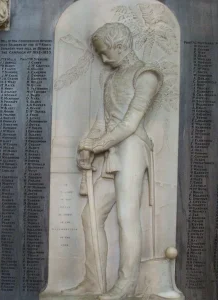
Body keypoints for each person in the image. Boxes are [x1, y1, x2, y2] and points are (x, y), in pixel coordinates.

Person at [62, 23, 163, 300]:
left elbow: (130, 123)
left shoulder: (147, 75)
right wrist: (86, 145)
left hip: (131, 148)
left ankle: (126, 285)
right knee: (90, 216)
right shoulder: (112, 78)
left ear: (120, 46)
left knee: (126, 217)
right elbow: (101, 122)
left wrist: (97, 146)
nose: (104, 60)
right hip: (111, 153)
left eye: (106, 53)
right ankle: (93, 282)